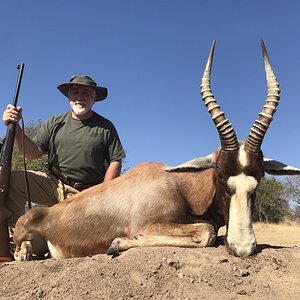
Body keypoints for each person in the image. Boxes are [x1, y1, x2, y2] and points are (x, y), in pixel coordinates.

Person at [2, 75, 126, 230]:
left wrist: (104, 194)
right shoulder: (54, 122)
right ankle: (16, 239)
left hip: (85, 194)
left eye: (86, 93)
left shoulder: (106, 127)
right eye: (75, 92)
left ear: (94, 98)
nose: (80, 97)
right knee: (11, 178)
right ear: (69, 96)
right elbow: (33, 153)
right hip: (53, 184)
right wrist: (14, 126)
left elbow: (115, 160)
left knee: (62, 239)